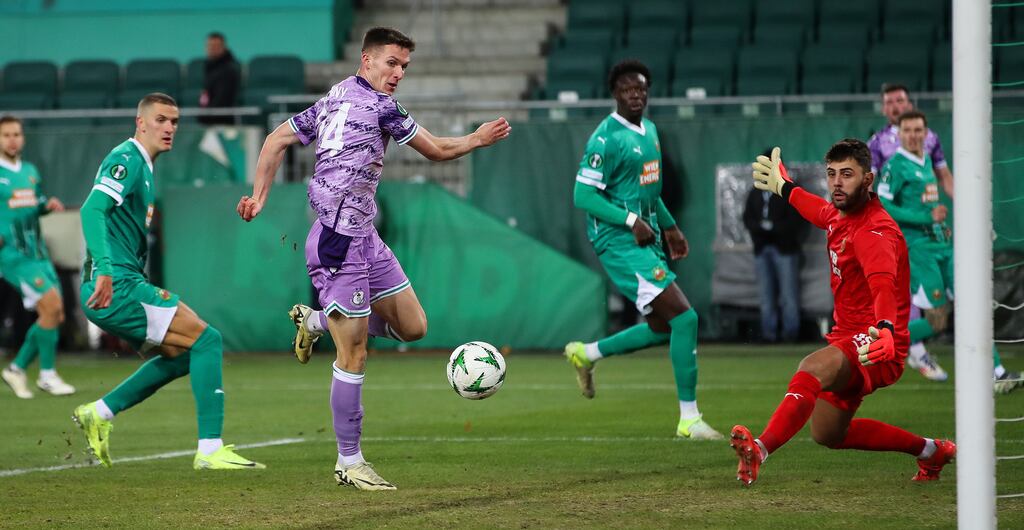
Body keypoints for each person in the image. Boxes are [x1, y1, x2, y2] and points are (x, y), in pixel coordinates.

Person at [236, 27, 510, 490]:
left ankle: (317, 321)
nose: (398, 73)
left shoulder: (333, 97)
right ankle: (349, 461)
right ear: (366, 61)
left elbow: (275, 140)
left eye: (404, 66)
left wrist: (259, 195)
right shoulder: (379, 107)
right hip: (336, 243)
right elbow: (438, 151)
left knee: (414, 327)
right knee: (356, 350)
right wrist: (477, 139)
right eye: (391, 63)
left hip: (365, 239)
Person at [730, 140, 955, 486]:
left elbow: (883, 287)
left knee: (812, 367)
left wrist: (884, 329)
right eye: (832, 174)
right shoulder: (842, 215)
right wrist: (784, 187)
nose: (837, 182)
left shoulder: (875, 232)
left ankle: (759, 450)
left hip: (876, 342)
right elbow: (819, 211)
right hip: (849, 336)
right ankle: (930, 451)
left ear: (868, 179)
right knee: (828, 433)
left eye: (847, 175)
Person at [72, 93, 264, 470]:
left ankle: (100, 411)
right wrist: (107, 269)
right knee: (207, 339)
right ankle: (210, 449)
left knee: (183, 355)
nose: (170, 128)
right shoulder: (126, 159)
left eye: (175, 121)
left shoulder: (143, 164)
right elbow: (91, 208)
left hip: (119, 282)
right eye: (161, 120)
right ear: (140, 122)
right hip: (117, 285)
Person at [562, 60, 722, 440]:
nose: (636, 95)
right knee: (686, 320)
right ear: (615, 93)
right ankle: (689, 420)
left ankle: (587, 354)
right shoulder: (606, 137)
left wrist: (670, 226)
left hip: (645, 237)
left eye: (642, 89)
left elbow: (649, 190)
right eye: (628, 89)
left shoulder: (649, 130)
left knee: (662, 327)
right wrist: (632, 222)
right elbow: (582, 195)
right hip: (617, 241)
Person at [878, 110, 1022, 394]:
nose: (913, 135)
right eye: (907, 130)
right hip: (919, 250)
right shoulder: (895, 166)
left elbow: (930, 205)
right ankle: (888, 341)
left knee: (971, 304)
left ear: (926, 133)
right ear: (900, 134)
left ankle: (997, 373)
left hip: (943, 245)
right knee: (937, 319)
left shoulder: (927, 160)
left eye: (918, 130)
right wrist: (926, 221)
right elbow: (884, 206)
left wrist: (941, 226)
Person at [868, 84, 951, 380]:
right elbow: (874, 192)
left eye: (900, 100)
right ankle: (906, 347)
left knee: (936, 304)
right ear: (884, 109)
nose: (895, 105)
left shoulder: (929, 144)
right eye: (889, 102)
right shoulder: (878, 144)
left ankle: (906, 346)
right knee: (908, 296)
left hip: (933, 238)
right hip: (903, 237)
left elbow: (943, 180)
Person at [0, 115, 74, 399]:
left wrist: (47, 205)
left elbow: (35, 202)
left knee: (54, 313)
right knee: (51, 307)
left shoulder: (30, 170)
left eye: (16, 134)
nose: (12, 139)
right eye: (6, 135)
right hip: (13, 256)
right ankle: (47, 374)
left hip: (38, 252)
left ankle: (17, 369)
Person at [742, 153, 810, 342]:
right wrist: (762, 230)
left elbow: (797, 220)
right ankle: (769, 335)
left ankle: (790, 335)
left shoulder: (789, 190)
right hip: (762, 249)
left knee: (789, 294)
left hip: (785, 249)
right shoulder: (755, 191)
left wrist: (773, 228)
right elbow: (748, 218)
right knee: (766, 295)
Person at [199, 32, 241, 125]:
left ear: (223, 47)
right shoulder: (208, 67)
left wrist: (206, 115)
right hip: (209, 118)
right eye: (209, 46)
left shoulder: (230, 70)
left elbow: (223, 99)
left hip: (222, 120)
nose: (212, 49)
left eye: (215, 46)